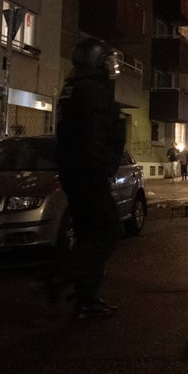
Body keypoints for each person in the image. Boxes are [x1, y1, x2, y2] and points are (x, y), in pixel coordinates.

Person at [31, 37, 125, 320]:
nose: (113, 68)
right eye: (109, 61)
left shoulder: (73, 89)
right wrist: (103, 170)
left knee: (89, 236)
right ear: (97, 62)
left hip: (75, 173)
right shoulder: (94, 91)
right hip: (89, 175)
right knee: (109, 233)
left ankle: (86, 300)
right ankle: (57, 278)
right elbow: (94, 138)